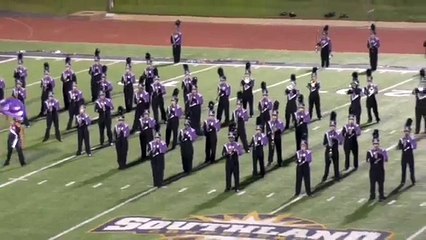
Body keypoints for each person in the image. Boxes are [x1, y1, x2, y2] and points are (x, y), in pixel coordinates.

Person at [366, 130, 388, 201]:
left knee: (381, 184)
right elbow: (368, 160)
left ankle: (381, 196)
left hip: (380, 170)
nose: (376, 145)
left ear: (379, 144)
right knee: (372, 184)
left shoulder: (383, 151)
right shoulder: (369, 152)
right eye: (374, 143)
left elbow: (386, 159)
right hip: (373, 170)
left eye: (377, 143)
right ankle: (372, 196)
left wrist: (379, 155)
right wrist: (373, 158)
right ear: (373, 144)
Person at [322, 111, 343, 182]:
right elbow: (324, 143)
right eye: (331, 126)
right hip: (328, 151)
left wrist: (337, 139)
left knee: (336, 164)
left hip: (335, 151)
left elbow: (341, 142)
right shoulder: (326, 134)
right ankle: (325, 176)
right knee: (327, 165)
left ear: (335, 127)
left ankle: (337, 176)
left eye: (333, 126)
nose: (332, 127)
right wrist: (329, 145)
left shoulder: (337, 134)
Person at [397, 118, 416, 185]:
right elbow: (399, 147)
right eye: (405, 131)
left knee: (411, 168)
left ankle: (413, 179)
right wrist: (401, 144)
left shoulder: (411, 138)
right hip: (405, 155)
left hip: (410, 155)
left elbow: (414, 146)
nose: (406, 132)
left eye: (407, 131)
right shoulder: (402, 139)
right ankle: (403, 181)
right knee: (404, 169)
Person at [266, 102, 285, 167]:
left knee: (278, 150)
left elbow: (282, 130)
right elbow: (267, 130)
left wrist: (277, 130)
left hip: (277, 137)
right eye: (273, 116)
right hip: (271, 138)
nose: (274, 117)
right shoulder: (269, 123)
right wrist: (270, 134)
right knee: (271, 150)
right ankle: (270, 160)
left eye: (275, 116)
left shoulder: (280, 122)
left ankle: (280, 161)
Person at [412, 69, 426, 134]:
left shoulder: (421, 84)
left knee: (419, 119)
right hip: (421, 105)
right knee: (420, 119)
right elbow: (413, 92)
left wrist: (418, 91)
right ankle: (418, 130)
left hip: (421, 105)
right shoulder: (421, 83)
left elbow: (414, 92)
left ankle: (417, 131)